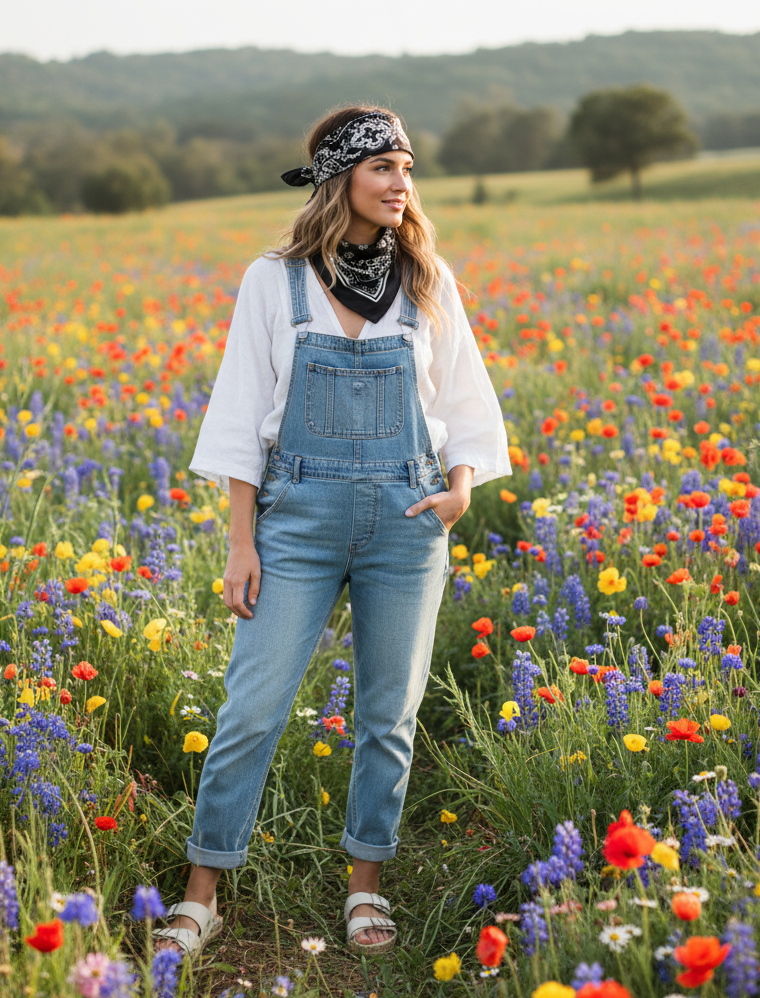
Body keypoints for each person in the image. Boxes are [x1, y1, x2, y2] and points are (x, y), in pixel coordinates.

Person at [152, 105, 510, 959]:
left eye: (408, 168)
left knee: (388, 713)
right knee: (252, 706)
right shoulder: (272, 280)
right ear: (340, 177)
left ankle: (365, 889)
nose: (402, 184)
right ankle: (203, 893)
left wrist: (460, 491)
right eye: (384, 166)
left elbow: (465, 402)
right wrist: (242, 542)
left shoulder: (427, 279)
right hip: (297, 520)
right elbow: (240, 414)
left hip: (407, 518)